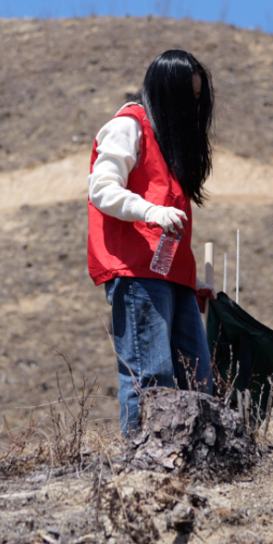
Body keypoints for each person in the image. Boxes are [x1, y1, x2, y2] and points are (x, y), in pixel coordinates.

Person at [88, 50, 215, 434]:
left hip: (173, 277)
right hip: (136, 272)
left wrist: (193, 281)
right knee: (150, 377)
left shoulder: (171, 146)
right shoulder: (129, 125)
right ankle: (143, 465)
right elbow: (101, 188)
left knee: (198, 378)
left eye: (197, 100)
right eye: (186, 99)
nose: (192, 109)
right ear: (164, 93)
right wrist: (149, 211)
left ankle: (194, 460)